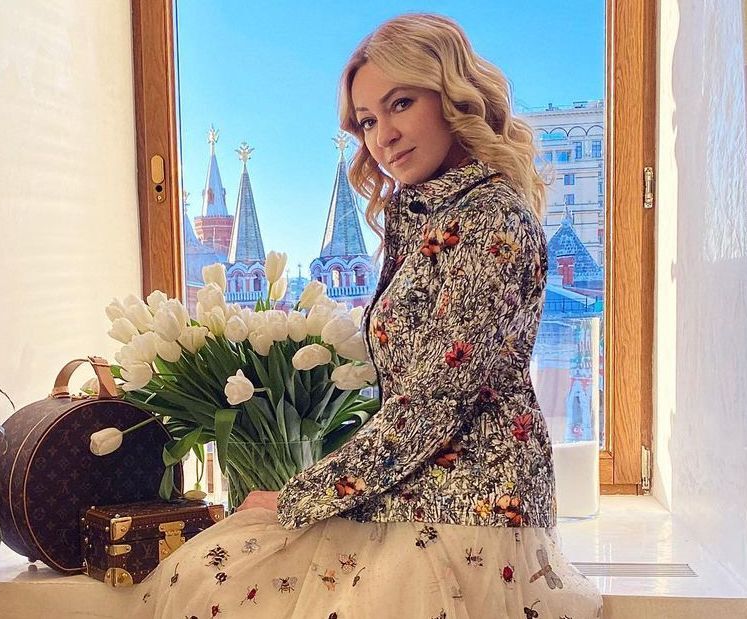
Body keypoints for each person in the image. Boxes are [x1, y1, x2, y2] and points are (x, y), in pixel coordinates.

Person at [130, 13, 603, 618]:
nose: (383, 137)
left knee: (217, 572)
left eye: (400, 103)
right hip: (420, 495)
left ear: (451, 97)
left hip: (469, 505)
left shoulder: (489, 218)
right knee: (211, 569)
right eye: (368, 121)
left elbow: (430, 404)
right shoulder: (429, 216)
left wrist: (298, 498)